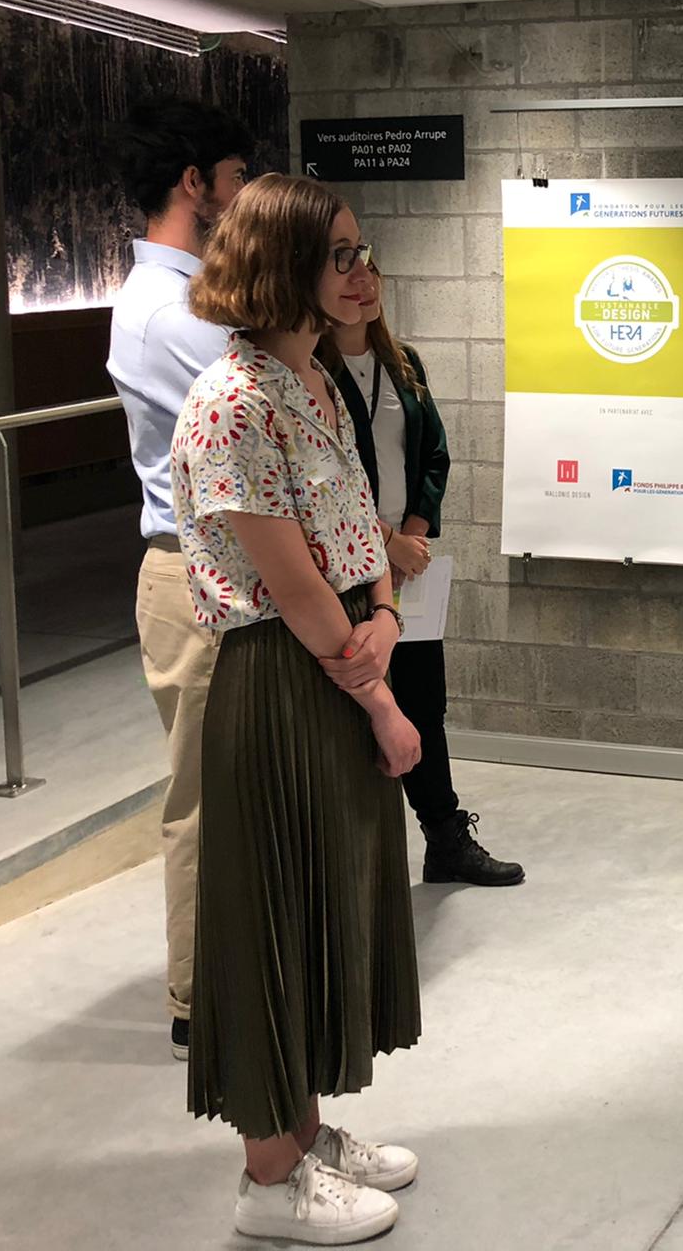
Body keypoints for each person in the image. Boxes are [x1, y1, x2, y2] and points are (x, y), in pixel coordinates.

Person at [173, 174, 423, 1244]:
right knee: (274, 916)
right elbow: (288, 580)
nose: (364, 274)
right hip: (285, 680)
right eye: (341, 257)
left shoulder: (312, 379)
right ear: (283, 269)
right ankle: (269, 1179)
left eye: (363, 253)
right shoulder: (234, 400)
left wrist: (388, 615)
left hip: (336, 660)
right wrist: (379, 698)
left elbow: (360, 536)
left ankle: (306, 1135)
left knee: (323, 905)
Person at [105, 98, 252, 1060]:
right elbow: (268, 413)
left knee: (238, 788)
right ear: (195, 184)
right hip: (198, 575)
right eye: (236, 179)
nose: (245, 198)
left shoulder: (191, 298)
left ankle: (234, 977)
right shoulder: (172, 314)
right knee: (204, 798)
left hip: (221, 569)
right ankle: (199, 1001)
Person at [320, 260, 522, 886]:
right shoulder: (312, 369)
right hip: (340, 569)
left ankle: (445, 840)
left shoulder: (402, 362)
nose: (364, 284)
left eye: (371, 272)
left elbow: (434, 455)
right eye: (348, 272)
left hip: (406, 567)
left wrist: (410, 536)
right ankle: (355, 861)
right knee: (352, 709)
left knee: (424, 702)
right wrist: (384, 544)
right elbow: (328, 483)